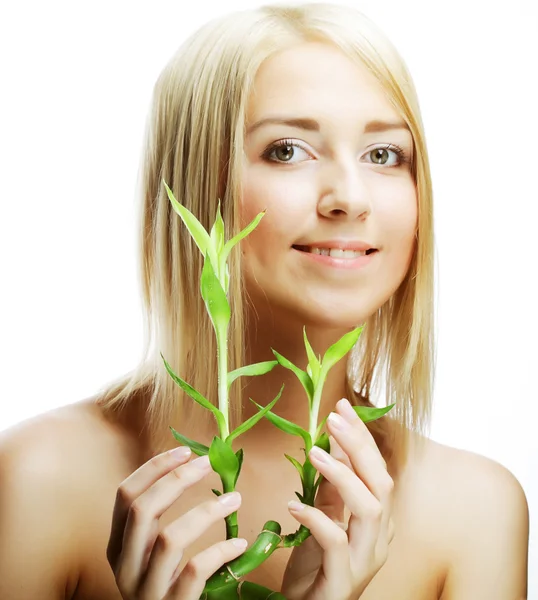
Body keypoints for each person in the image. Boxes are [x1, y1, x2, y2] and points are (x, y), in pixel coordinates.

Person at [0, 3, 529, 599]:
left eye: (383, 154)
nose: (350, 199)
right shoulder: (37, 481)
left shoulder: (477, 512)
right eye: (287, 149)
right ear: (199, 189)